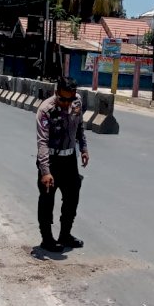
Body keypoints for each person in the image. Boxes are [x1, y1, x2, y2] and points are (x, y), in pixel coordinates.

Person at [36, 76, 89, 252]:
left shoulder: (77, 102)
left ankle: (65, 235)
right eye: (63, 99)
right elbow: (42, 142)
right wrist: (45, 171)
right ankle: (47, 239)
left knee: (72, 198)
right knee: (47, 200)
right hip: (51, 161)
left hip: (69, 159)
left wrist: (84, 148)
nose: (67, 103)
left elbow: (80, 125)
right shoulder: (46, 110)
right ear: (57, 92)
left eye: (70, 99)